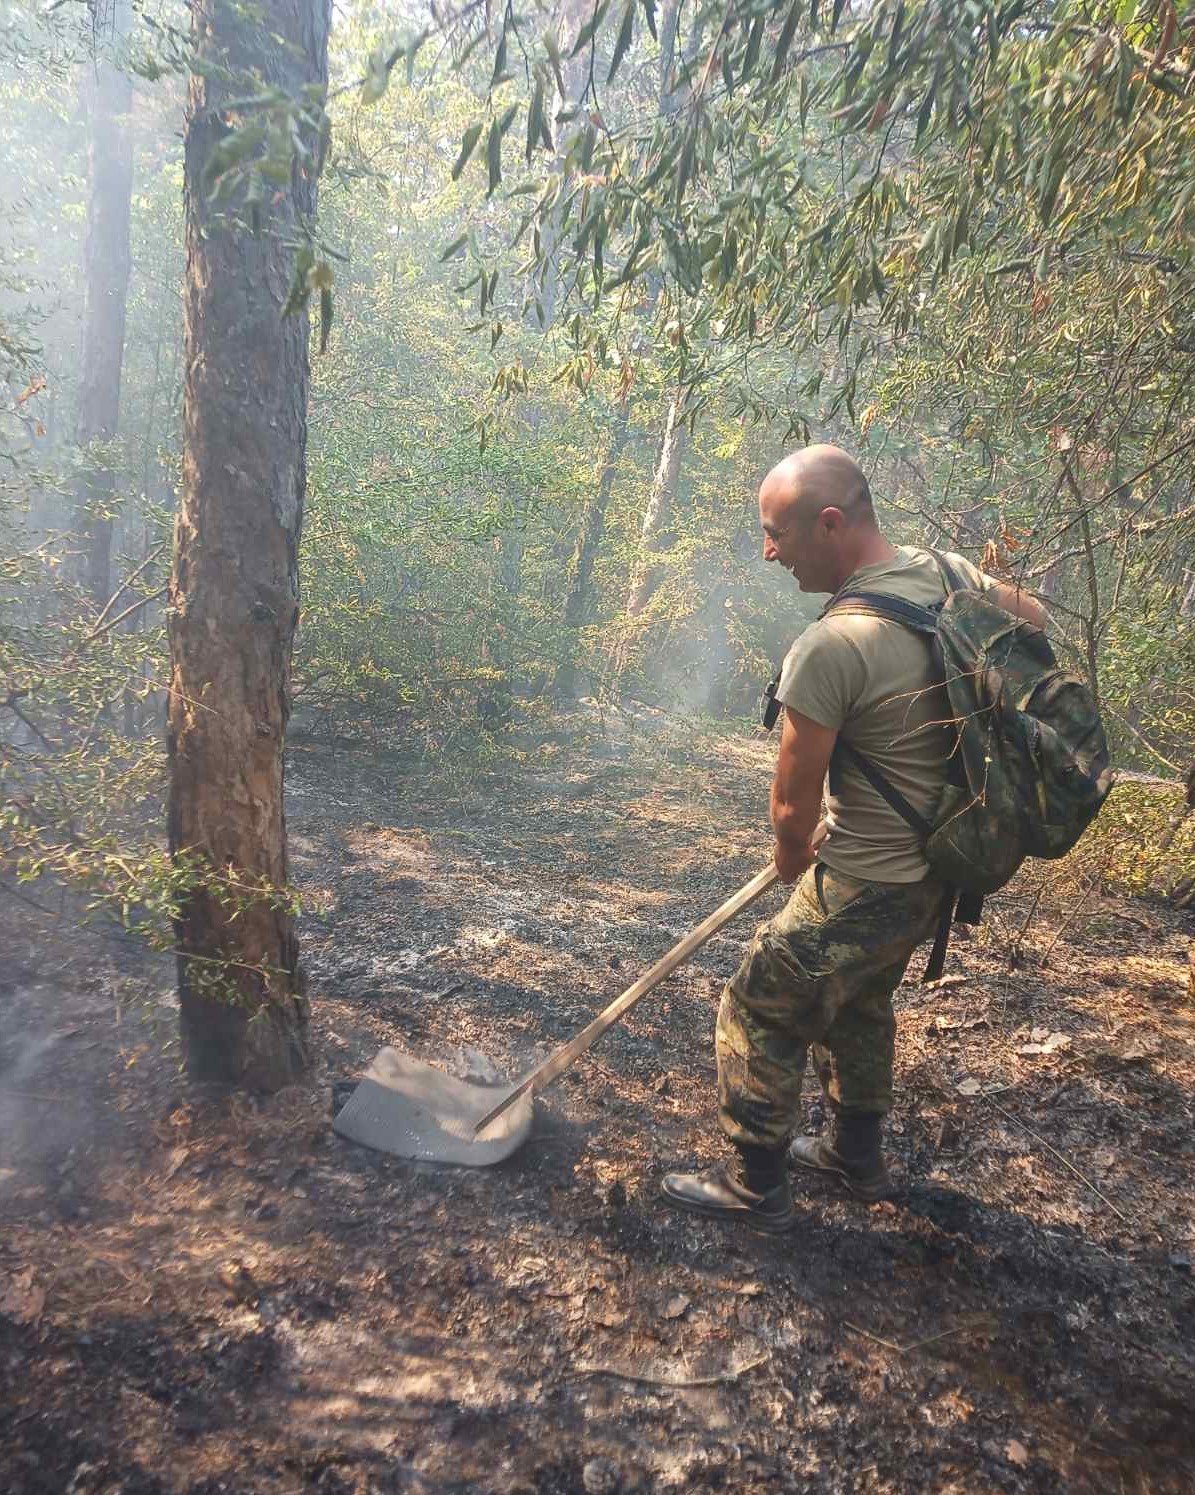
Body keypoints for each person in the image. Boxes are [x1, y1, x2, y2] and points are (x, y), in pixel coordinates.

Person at [661, 445, 1048, 1233]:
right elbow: (1033, 620)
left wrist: (793, 857)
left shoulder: (830, 646)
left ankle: (752, 1182)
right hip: (935, 874)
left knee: (759, 1003)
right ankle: (854, 1156)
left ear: (828, 523)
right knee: (859, 998)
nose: (768, 552)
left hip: (869, 873)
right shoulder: (945, 573)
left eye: (776, 533)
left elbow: (791, 810)